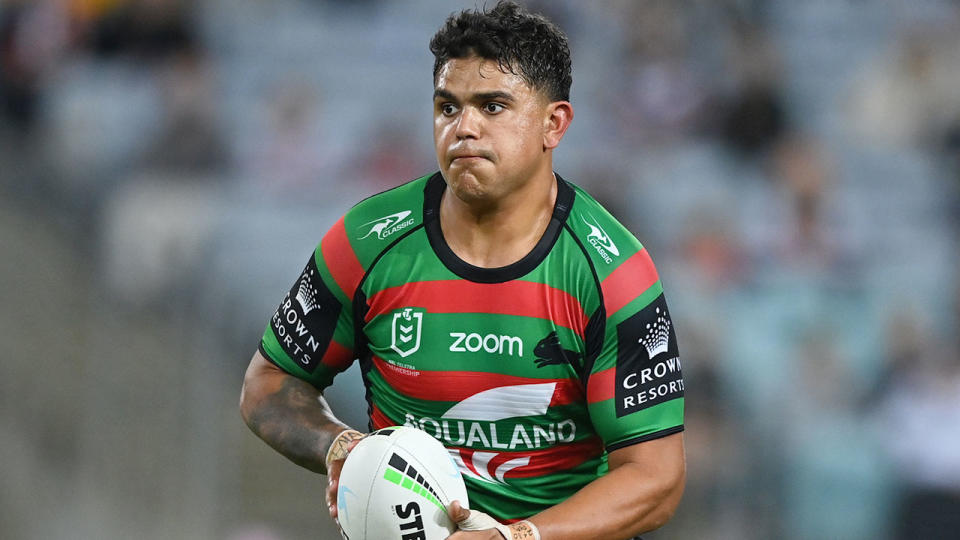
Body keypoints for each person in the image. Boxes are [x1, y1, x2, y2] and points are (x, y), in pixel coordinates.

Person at [239, 3, 686, 539]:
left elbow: (656, 478)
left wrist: (513, 537)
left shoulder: (612, 272)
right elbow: (268, 384)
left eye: (492, 106)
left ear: (554, 123)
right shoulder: (367, 241)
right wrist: (341, 448)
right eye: (447, 107)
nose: (463, 127)